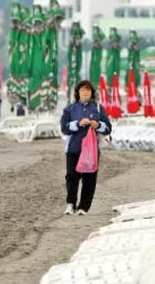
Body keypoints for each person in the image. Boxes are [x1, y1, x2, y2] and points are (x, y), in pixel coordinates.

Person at [59, 80, 112, 216]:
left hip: (92, 149)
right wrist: (77, 124)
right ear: (78, 93)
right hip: (73, 148)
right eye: (82, 90)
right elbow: (64, 128)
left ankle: (84, 207)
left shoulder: (98, 108)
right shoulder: (70, 109)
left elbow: (108, 128)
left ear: (92, 93)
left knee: (89, 177)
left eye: (88, 89)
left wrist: (98, 125)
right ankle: (71, 204)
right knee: (71, 176)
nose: (85, 92)